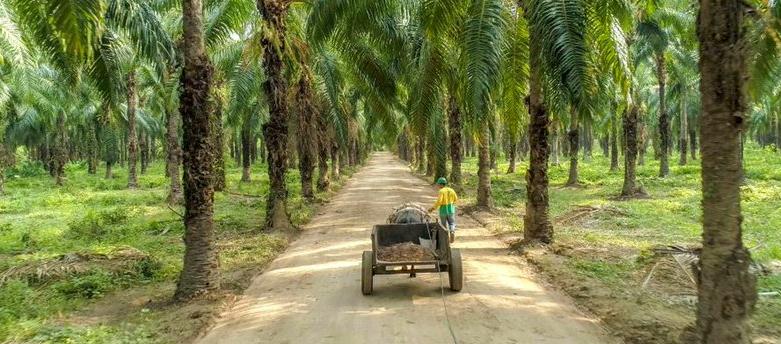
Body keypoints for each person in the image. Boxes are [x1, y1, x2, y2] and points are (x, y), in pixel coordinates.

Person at [428, 177, 458, 243]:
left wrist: (432, 208)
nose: (438, 186)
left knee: (444, 225)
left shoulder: (441, 191)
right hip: (451, 210)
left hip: (443, 211)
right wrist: (451, 204)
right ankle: (452, 231)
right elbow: (456, 199)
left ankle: (445, 239)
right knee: (452, 223)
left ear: (441, 184)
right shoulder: (451, 190)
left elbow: (439, 202)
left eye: (438, 184)